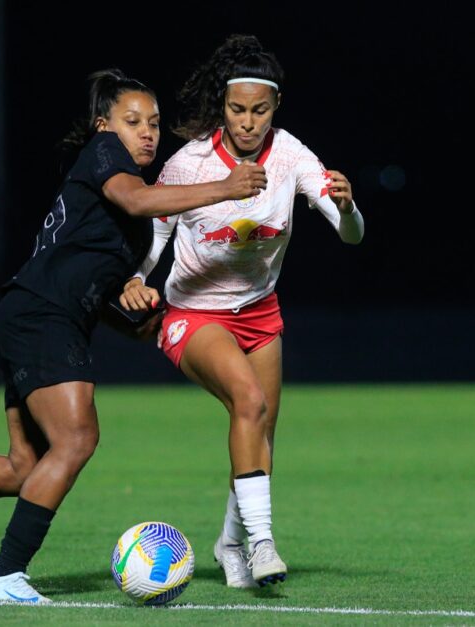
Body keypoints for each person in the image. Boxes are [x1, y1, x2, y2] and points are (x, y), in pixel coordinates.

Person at [0, 69, 267, 603]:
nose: (147, 132)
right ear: (103, 125)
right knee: (76, 439)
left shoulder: (129, 213)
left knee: (23, 467)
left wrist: (136, 311)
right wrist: (227, 187)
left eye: (155, 124)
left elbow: (101, 290)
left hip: (34, 313)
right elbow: (141, 202)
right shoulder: (105, 155)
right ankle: (5, 575)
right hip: (42, 315)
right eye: (132, 121)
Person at [119, 35, 365, 588]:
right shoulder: (191, 162)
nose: (247, 122)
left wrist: (349, 208)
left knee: (260, 430)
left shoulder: (292, 156)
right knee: (248, 403)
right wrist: (135, 278)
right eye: (237, 110)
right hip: (192, 313)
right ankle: (263, 543)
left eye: (259, 110)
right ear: (222, 106)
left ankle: (229, 543)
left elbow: (350, 235)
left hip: (259, 312)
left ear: (275, 108)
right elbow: (156, 234)